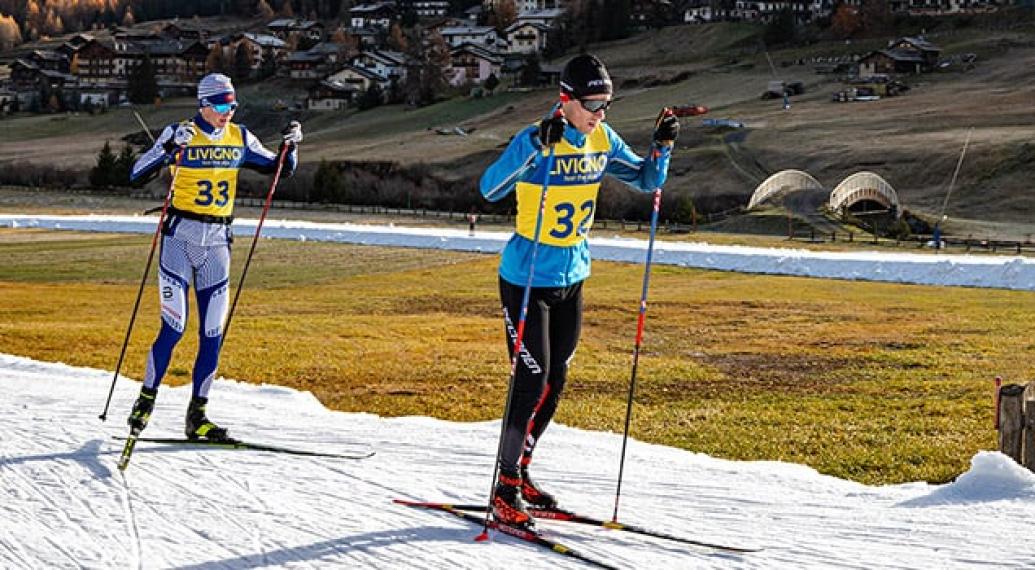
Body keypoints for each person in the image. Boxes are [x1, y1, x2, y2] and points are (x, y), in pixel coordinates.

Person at [479, 54, 678, 528]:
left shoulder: (603, 138)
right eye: (592, 105)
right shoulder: (538, 138)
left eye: (606, 105)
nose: (600, 115)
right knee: (530, 378)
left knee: (555, 379)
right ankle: (503, 487)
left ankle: (521, 471)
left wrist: (662, 146)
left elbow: (648, 180)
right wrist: (531, 146)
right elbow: (489, 189)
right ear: (565, 101)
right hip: (526, 278)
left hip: (572, 277)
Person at [125, 73, 303, 441]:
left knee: (212, 334)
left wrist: (293, 146)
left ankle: (198, 416)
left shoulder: (241, 137)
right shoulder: (181, 131)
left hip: (217, 243)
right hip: (179, 239)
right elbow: (135, 175)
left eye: (232, 105)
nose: (228, 112)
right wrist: (168, 148)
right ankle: (145, 400)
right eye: (222, 105)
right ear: (203, 105)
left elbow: (279, 169)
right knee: (173, 329)